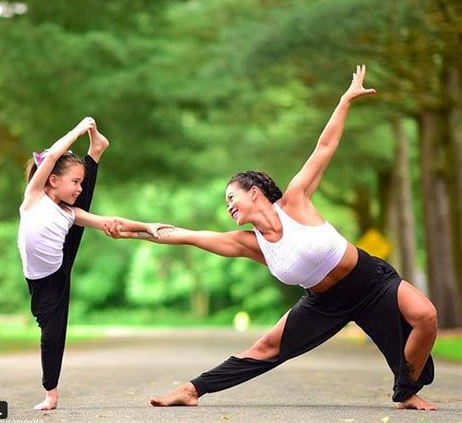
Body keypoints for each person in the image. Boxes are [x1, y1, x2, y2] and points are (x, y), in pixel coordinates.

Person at [106, 66, 437, 411]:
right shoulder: (250, 244)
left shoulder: (296, 200)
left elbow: (325, 147)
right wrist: (133, 227)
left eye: (231, 197)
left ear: (253, 193)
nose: (228, 206)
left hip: (371, 282)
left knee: (425, 317)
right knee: (265, 347)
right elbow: (185, 235)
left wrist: (344, 101)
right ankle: (191, 390)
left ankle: (405, 391)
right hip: (324, 303)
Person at [18, 117, 167, 411]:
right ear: (52, 179)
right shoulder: (34, 196)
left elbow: (110, 222)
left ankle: (51, 394)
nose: (78, 189)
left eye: (81, 183)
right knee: (45, 324)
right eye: (75, 182)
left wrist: (146, 227)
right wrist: (77, 130)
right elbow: (51, 157)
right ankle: (95, 150)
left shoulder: (70, 213)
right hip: (39, 276)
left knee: (52, 332)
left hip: (59, 269)